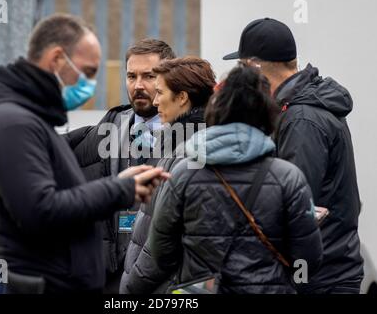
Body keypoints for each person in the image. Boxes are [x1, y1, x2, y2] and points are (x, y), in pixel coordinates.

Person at [0, 14, 167, 294]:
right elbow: (40, 210)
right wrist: (119, 189)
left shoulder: (32, 121)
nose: (90, 85)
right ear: (57, 60)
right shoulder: (12, 123)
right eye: (87, 72)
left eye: (149, 76)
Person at [135, 65, 323, 294]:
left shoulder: (184, 172)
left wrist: (191, 272)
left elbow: (161, 251)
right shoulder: (288, 177)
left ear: (217, 108)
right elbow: (308, 258)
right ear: (268, 113)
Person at [223, 17, 363, 294]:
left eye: (242, 68)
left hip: (319, 279)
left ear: (255, 67)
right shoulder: (299, 109)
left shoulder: (301, 118)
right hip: (321, 273)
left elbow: (292, 203)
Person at [65, 38, 176, 293]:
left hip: (164, 282)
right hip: (111, 278)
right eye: (131, 76)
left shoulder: (189, 134)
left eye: (149, 76)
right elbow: (49, 155)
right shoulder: (110, 126)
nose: (138, 85)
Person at [120, 56, 217, 294]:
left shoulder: (190, 154)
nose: (154, 102)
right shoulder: (173, 141)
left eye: (160, 93)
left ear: (182, 97)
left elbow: (162, 243)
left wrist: (131, 286)